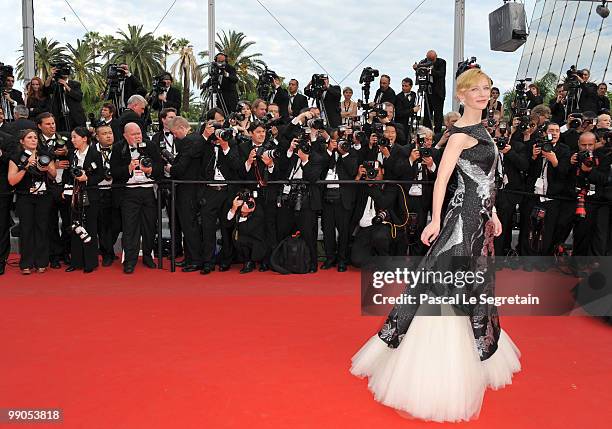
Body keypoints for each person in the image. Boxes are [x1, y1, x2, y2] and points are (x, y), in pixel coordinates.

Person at [350, 68, 521, 422]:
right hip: (461, 222)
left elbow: (487, 180)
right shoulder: (458, 135)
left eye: (487, 88)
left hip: (480, 220)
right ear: (461, 95)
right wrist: (435, 219)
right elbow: (441, 179)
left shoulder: (486, 130)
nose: (482, 94)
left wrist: (495, 214)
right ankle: (438, 367)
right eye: (474, 89)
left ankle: (473, 348)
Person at [110, 122, 163, 274]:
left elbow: (160, 167)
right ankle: (130, 261)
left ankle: (148, 256)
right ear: (126, 136)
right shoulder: (119, 148)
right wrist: (128, 168)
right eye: (134, 134)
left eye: (139, 133)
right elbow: (114, 172)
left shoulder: (151, 146)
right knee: (130, 228)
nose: (138, 136)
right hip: (128, 192)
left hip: (148, 191)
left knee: (149, 226)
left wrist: (150, 169)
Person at [8, 129, 57, 274]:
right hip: (24, 197)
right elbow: (11, 181)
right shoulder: (16, 157)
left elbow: (54, 175)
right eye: (29, 137)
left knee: (42, 228)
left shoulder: (45, 155)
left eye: (35, 137)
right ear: (22, 141)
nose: (33, 140)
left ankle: (42, 262)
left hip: (44, 197)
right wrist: (25, 167)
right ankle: (26, 264)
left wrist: (47, 167)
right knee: (26, 229)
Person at [63, 127, 104, 273]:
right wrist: (65, 189)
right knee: (75, 226)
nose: (72, 140)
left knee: (90, 227)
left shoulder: (95, 154)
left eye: (75, 137)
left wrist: (87, 179)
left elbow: (101, 174)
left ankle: (90, 262)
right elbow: (68, 175)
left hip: (90, 195)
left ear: (84, 138)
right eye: (72, 137)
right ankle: (76, 261)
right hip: (75, 195)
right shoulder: (72, 155)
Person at [224, 192, 266, 273]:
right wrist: (234, 208)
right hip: (247, 240)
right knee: (238, 238)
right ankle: (248, 262)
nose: (249, 203)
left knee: (244, 237)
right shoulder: (237, 207)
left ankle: (263, 261)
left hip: (260, 242)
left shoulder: (258, 209)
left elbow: (246, 229)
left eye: (250, 200)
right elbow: (227, 223)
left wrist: (244, 214)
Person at [43, 66, 86, 131]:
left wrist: (66, 85)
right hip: (60, 117)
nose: (64, 72)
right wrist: (51, 75)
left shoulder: (75, 84)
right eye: (62, 71)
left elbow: (79, 97)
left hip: (75, 117)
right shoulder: (56, 85)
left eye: (66, 70)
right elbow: (46, 89)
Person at [413, 50, 446, 133]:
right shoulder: (423, 62)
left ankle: (437, 134)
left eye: (432, 60)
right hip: (427, 91)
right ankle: (426, 133)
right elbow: (419, 73)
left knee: (438, 115)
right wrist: (417, 68)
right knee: (427, 114)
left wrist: (430, 71)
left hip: (438, 93)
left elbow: (441, 74)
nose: (430, 62)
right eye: (429, 59)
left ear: (436, 57)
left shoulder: (441, 62)